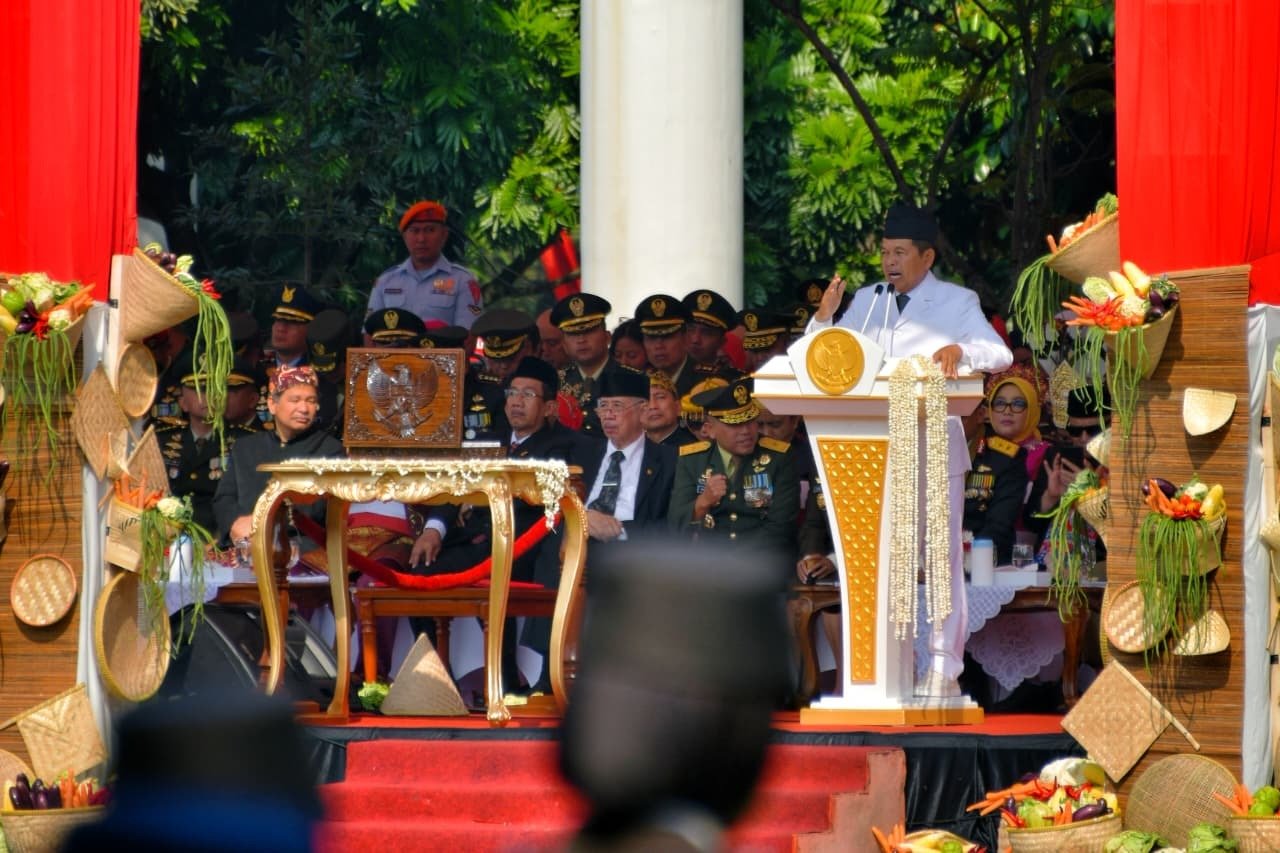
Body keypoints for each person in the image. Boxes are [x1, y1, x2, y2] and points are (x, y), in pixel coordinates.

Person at [807, 202, 1012, 698]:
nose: (889, 263)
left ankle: (944, 666)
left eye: (899, 253)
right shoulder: (868, 300)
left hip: (931, 444)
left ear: (926, 257)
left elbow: (1000, 353)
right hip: (869, 451)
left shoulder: (956, 301)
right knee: (879, 559)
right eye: (883, 253)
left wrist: (961, 351)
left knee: (937, 559)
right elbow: (825, 361)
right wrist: (824, 319)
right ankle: (880, 667)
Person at [668, 377, 799, 561]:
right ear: (709, 429)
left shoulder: (779, 458)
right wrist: (703, 502)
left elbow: (780, 529)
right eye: (735, 424)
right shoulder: (692, 460)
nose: (746, 431)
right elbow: (676, 524)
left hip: (761, 568)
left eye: (751, 421)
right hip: (707, 569)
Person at [213, 365, 345, 547]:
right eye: (295, 400)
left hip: (300, 550)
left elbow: (319, 509)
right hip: (244, 546)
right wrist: (235, 523)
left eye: (311, 400)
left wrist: (262, 522)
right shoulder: (245, 447)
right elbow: (224, 498)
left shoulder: (329, 450)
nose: (304, 409)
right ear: (272, 405)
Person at [158, 355, 264, 534]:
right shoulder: (163, 439)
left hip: (220, 539)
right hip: (169, 535)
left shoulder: (246, 442)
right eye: (200, 389)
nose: (208, 396)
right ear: (182, 402)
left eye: (215, 389)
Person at [581, 367, 677, 544]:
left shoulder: (669, 461)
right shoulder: (581, 453)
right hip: (579, 550)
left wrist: (620, 531)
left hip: (634, 554)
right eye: (603, 407)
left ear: (643, 410)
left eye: (617, 406)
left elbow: (672, 524)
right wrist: (583, 518)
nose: (608, 416)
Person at [365, 199, 482, 330]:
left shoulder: (463, 281)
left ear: (444, 235)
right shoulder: (386, 281)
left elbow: (469, 336)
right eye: (414, 231)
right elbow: (370, 334)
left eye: (430, 230)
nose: (421, 239)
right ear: (404, 236)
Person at [255, 283, 324, 432]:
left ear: (309, 329)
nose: (281, 328)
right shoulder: (257, 372)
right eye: (278, 320)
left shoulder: (319, 375)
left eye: (292, 322)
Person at [552, 293, 614, 435]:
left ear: (607, 337)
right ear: (564, 345)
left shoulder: (631, 378)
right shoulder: (555, 382)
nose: (581, 340)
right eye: (573, 334)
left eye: (589, 331)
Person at [635, 294, 698, 396]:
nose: (658, 346)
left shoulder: (710, 382)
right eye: (651, 338)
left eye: (667, 337)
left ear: (686, 337)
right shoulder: (636, 383)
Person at [681, 289, 737, 374]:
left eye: (706, 333)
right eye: (690, 329)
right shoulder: (662, 376)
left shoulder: (733, 382)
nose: (695, 339)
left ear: (721, 341)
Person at [643, 370, 698, 448]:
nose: (652, 406)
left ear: (678, 407)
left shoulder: (693, 449)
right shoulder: (629, 448)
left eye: (660, 397)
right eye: (645, 399)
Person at [738, 308, 791, 374]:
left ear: (787, 344)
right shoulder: (745, 383)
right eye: (755, 351)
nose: (759, 357)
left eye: (767, 349)